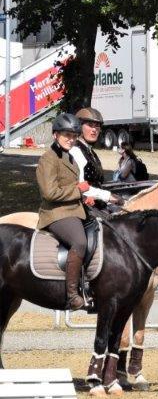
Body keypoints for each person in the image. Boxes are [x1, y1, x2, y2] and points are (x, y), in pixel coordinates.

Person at [36, 113, 98, 310]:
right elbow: (49, 192)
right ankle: (72, 295)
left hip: (74, 209)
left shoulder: (69, 157)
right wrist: (78, 190)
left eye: (74, 136)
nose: (71, 140)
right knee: (79, 242)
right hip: (55, 213)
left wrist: (84, 198)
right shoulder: (48, 159)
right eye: (66, 135)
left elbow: (69, 187)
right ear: (55, 135)